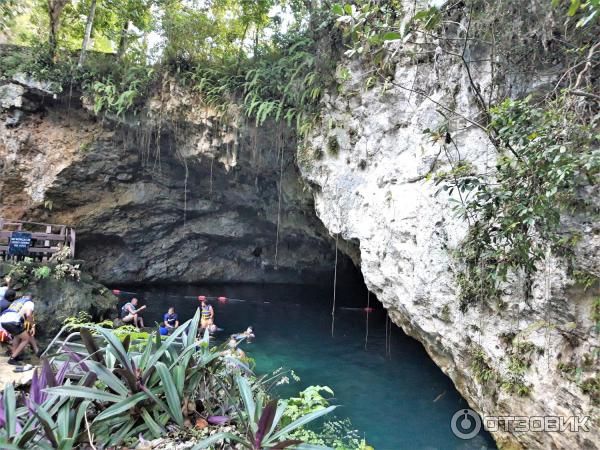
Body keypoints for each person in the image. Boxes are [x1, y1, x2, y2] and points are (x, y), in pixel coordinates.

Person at [0, 294, 41, 365]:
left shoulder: (17, 301)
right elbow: (28, 315)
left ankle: (15, 355)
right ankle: (12, 358)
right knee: (26, 339)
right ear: (32, 299)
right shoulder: (29, 303)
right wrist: (33, 326)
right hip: (12, 321)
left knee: (17, 336)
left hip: (3, 321)